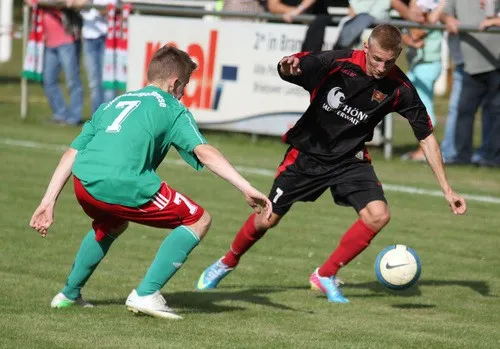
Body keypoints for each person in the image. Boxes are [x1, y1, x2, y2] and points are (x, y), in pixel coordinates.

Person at [195, 24, 467, 303]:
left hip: (350, 160)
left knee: (378, 215)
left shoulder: (399, 88)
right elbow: (295, 66)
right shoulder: (336, 63)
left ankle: (325, 275)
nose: (382, 67)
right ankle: (228, 261)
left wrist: (447, 189)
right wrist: (287, 67)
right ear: (366, 48)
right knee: (267, 219)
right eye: (376, 59)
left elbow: (426, 137)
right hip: (307, 154)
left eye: (390, 61)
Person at [29, 45, 272, 320]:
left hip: (84, 184)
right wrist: (246, 187)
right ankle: (146, 293)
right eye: (185, 86)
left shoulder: (113, 103)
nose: (183, 93)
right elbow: (204, 152)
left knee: (112, 223)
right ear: (175, 83)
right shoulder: (172, 108)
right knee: (198, 219)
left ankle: (69, 294)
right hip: (123, 182)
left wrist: (47, 202)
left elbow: (72, 153)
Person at [440, 0, 500, 166]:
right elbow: (444, 13)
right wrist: (448, 19)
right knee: (464, 111)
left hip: (497, 62)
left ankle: (491, 157)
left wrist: (495, 21)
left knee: (495, 112)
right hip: (470, 64)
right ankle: (461, 157)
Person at [400, 0, 446, 162]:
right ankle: (423, 149)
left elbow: (416, 33)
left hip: (427, 66)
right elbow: (408, 36)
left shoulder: (427, 17)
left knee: (424, 108)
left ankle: (427, 151)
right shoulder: (420, 16)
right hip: (418, 66)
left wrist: (407, 35)